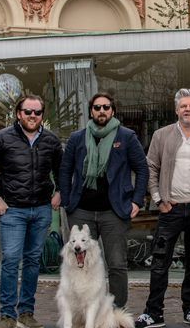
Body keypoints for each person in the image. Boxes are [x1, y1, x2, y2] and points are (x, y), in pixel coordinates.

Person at [135, 88, 190, 328]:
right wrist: (158, 199)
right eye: (183, 106)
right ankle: (154, 313)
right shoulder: (161, 136)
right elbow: (151, 168)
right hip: (170, 209)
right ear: (176, 110)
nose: (188, 109)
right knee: (159, 262)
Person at [0, 93, 62, 328]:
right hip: (12, 211)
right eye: (28, 112)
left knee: (33, 261)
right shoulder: (1, 139)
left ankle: (26, 313)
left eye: (37, 112)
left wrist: (60, 191)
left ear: (42, 115)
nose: (33, 116)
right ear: (18, 114)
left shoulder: (51, 141)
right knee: (11, 260)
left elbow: (62, 169)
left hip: (41, 209)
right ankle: (7, 317)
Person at [58, 92, 149, 309]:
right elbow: (64, 170)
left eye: (106, 107)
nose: (102, 111)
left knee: (117, 264)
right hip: (81, 211)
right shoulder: (77, 138)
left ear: (113, 111)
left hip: (114, 212)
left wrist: (137, 200)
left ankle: (116, 312)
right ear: (91, 111)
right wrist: (67, 200)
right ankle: (84, 310)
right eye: (97, 107)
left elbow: (142, 169)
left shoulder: (126, 137)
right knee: (82, 265)